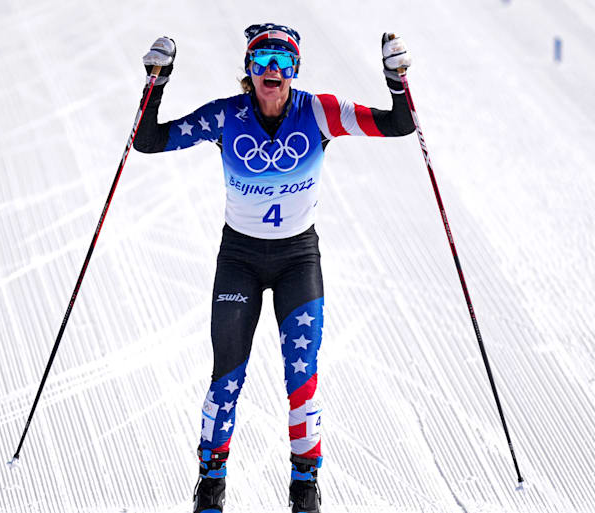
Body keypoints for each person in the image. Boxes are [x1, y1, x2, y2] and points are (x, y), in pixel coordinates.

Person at [133, 23, 415, 513]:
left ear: (295, 70)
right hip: (239, 259)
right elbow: (149, 140)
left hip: (296, 260)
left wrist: (397, 79)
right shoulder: (227, 116)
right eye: (262, 63)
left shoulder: (319, 112)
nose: (272, 74)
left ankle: (305, 488)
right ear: (248, 70)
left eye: (283, 64)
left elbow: (398, 124)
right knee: (226, 377)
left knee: (302, 378)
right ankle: (211, 485)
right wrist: (156, 84)